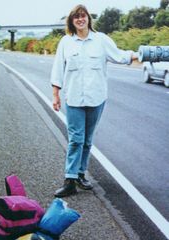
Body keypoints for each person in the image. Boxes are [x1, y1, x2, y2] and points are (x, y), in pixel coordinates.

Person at [50, 4, 138, 197]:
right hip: (74, 99)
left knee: (87, 141)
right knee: (76, 139)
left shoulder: (101, 40)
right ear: (72, 21)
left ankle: (81, 174)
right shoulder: (66, 42)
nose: (80, 19)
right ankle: (70, 180)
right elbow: (58, 69)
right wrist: (56, 95)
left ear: (89, 18)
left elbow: (120, 56)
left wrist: (140, 54)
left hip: (96, 98)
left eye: (83, 16)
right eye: (76, 17)